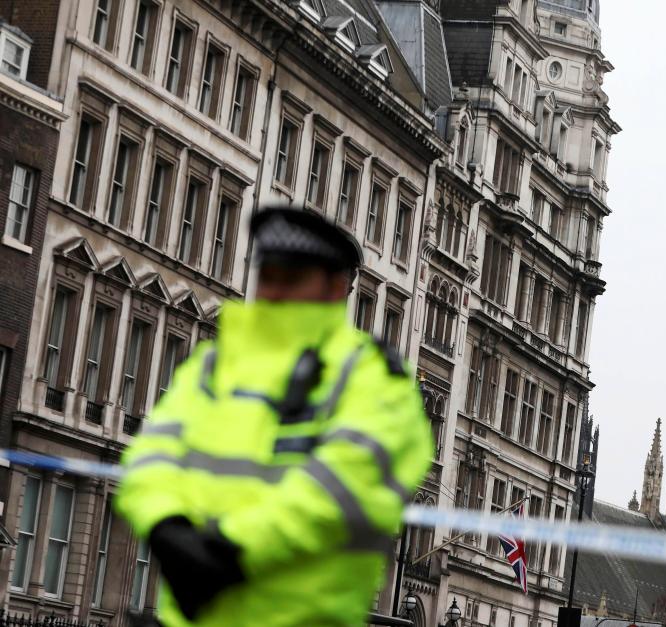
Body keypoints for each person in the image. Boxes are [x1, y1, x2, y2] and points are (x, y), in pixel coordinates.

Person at [115, 205, 434, 627]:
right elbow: (151, 455)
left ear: (336, 289)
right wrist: (165, 526)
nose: (275, 291)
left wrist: (227, 552)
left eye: (293, 278)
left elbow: (341, 490)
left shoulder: (374, 380)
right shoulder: (217, 364)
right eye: (269, 276)